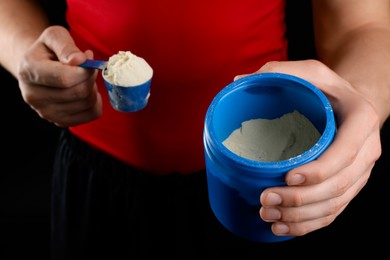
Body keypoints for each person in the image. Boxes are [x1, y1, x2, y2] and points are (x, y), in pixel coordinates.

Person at [0, 0, 389, 259]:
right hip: (97, 175)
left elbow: (365, 24)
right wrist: (22, 53)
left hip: (262, 187)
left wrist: (362, 101)